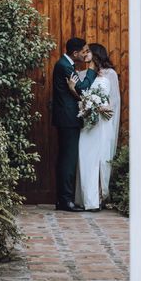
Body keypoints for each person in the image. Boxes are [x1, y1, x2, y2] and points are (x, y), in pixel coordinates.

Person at [68, 43, 121, 211]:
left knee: (101, 158)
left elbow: (114, 99)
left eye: (88, 51)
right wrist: (72, 89)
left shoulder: (110, 74)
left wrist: (108, 108)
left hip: (103, 121)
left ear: (96, 54)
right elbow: (81, 97)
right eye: (84, 51)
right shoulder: (83, 73)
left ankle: (98, 198)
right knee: (86, 157)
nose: (85, 54)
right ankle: (87, 198)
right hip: (88, 122)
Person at [52, 38, 97, 212]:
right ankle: (65, 201)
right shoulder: (65, 66)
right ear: (75, 53)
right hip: (68, 118)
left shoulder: (66, 64)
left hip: (66, 118)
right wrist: (91, 70)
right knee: (68, 160)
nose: (86, 54)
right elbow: (83, 89)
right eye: (84, 51)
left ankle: (63, 199)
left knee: (66, 158)